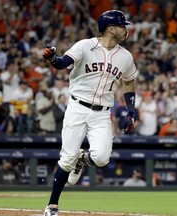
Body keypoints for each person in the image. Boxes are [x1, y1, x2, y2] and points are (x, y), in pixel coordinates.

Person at [42, 10, 138, 216]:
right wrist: (52, 59)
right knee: (66, 158)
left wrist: (131, 111)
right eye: (123, 26)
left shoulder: (125, 56)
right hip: (77, 107)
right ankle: (52, 206)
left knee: (102, 157)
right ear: (111, 29)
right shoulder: (85, 45)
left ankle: (81, 160)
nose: (126, 30)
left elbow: (129, 81)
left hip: (102, 113)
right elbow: (62, 63)